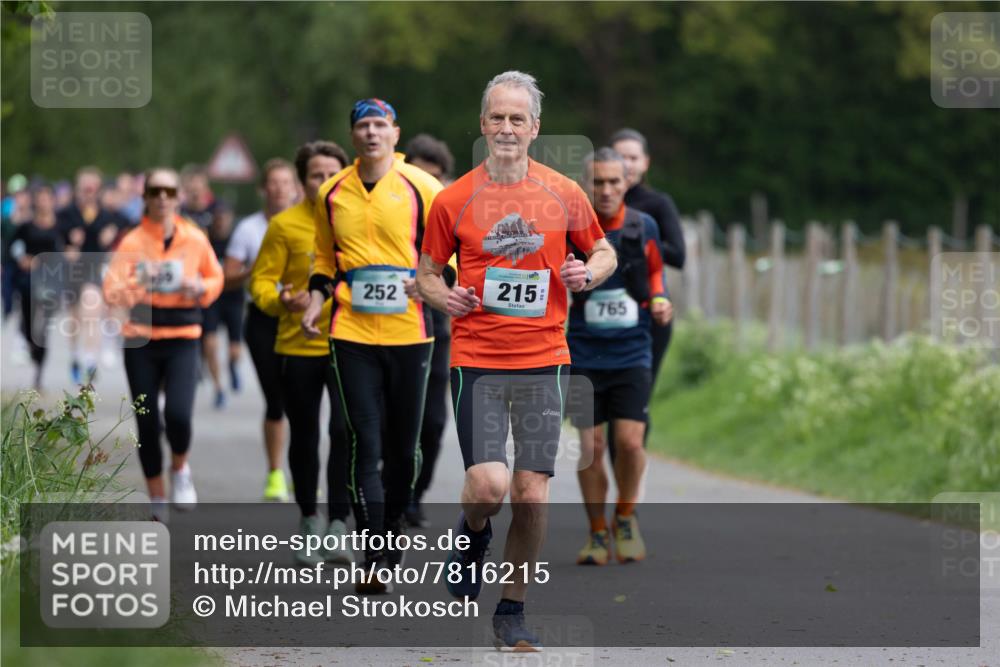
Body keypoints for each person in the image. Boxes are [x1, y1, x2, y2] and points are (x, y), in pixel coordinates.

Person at [416, 71, 616, 651]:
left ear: (534, 128)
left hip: (544, 357)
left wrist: (585, 273)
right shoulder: (453, 198)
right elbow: (426, 274)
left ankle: (512, 609)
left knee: (531, 492)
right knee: (488, 484)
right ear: (483, 125)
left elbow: (603, 251)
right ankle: (473, 529)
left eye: (517, 119)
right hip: (477, 358)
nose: (507, 128)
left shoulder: (563, 193)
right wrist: (445, 297)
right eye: (497, 117)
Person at [301, 98, 443, 592]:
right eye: (363, 125)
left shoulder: (424, 187)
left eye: (380, 124)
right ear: (353, 135)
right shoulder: (332, 192)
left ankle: (394, 524)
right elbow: (324, 259)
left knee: (404, 449)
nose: (371, 133)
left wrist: (429, 282)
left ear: (395, 134)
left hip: (410, 331)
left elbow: (453, 255)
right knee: (362, 440)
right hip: (351, 332)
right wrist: (314, 302)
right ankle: (374, 553)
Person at [250, 140, 354, 566]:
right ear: (301, 181)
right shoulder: (284, 225)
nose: (324, 181)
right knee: (306, 433)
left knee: (345, 432)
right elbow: (261, 282)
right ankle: (310, 518)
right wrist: (281, 301)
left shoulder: (357, 219)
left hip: (351, 342)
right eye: (315, 175)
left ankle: (339, 523)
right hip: (298, 342)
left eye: (332, 173)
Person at [567, 148, 673, 566]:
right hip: (583, 354)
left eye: (614, 181)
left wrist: (660, 299)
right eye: (598, 182)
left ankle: (625, 517)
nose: (607, 190)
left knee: (629, 443)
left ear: (627, 182)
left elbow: (656, 271)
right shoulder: (573, 227)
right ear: (586, 184)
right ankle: (597, 532)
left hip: (632, 351)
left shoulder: (643, 225)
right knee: (591, 447)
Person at [102, 167, 224, 521]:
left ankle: (180, 468)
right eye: (155, 191)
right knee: (148, 423)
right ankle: (156, 495)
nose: (162, 198)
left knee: (179, 415)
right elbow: (111, 290)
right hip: (140, 339)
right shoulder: (131, 241)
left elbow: (215, 277)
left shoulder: (195, 238)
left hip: (183, 337)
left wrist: (200, 287)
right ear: (145, 197)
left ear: (178, 197)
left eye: (169, 192)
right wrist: (141, 283)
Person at [225, 159, 298, 501]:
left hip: (301, 318)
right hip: (263, 319)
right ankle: (275, 473)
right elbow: (227, 277)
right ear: (263, 189)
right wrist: (254, 270)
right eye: (274, 182)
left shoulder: (309, 224)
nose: (280, 188)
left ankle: (302, 469)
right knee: (276, 399)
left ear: (295, 188)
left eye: (286, 182)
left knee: (304, 400)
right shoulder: (249, 229)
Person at [403, 133, 457, 528]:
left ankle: (414, 494)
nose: (425, 186)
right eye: (417, 175)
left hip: (435, 326)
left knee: (434, 421)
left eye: (433, 178)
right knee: (392, 415)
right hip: (384, 326)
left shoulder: (454, 214)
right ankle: (387, 489)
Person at [610, 129, 685, 394]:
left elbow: (678, 255)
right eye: (620, 157)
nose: (627, 164)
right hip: (599, 310)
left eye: (633, 158)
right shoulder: (594, 202)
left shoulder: (658, 204)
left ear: (645, 163)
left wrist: (635, 243)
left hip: (647, 309)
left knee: (636, 398)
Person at [181, 165, 240, 408]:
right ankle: (218, 387)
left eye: (199, 188)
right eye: (191, 189)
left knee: (234, 349)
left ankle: (232, 365)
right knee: (210, 341)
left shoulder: (217, 210)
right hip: (200, 288)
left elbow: (229, 235)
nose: (196, 193)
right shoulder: (179, 214)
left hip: (229, 289)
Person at [58, 166, 121, 384]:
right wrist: (66, 248)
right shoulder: (65, 214)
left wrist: (112, 239)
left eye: (92, 189)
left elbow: (126, 229)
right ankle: (75, 357)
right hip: (71, 271)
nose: (88, 193)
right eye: (84, 189)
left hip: (94, 270)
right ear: (77, 189)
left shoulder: (107, 216)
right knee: (75, 319)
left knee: (91, 311)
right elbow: (53, 239)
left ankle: (90, 362)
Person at [9, 185, 64, 390]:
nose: (44, 203)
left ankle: (39, 374)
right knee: (30, 326)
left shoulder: (61, 226)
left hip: (52, 281)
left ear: (53, 201)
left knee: (44, 329)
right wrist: (22, 258)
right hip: (30, 282)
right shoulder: (26, 227)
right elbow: (12, 246)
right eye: (40, 199)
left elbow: (70, 249)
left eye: (47, 199)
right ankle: (30, 344)